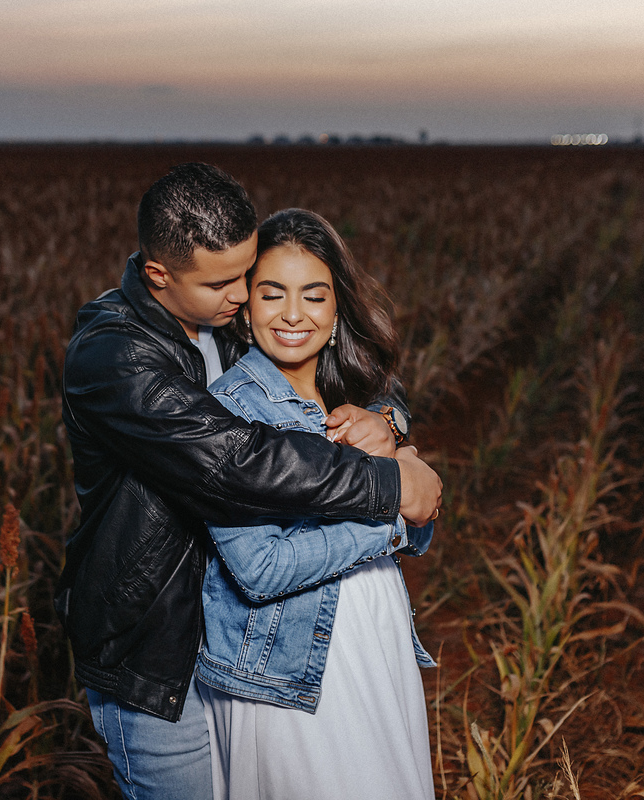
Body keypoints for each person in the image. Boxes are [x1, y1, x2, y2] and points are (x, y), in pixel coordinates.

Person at [55, 163, 442, 799]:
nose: (241, 294)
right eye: (225, 282)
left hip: (230, 635)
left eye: (247, 275)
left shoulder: (221, 319)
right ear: (159, 275)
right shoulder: (115, 355)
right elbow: (237, 460)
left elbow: (329, 360)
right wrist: (391, 492)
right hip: (156, 651)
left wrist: (385, 419)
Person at [197, 208, 437, 799]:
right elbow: (260, 568)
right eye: (272, 294)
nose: (293, 314)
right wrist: (396, 514)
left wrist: (404, 464)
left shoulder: (358, 399)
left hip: (373, 633)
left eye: (313, 295)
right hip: (287, 665)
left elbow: (420, 516)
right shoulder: (228, 411)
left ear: (335, 310)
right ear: (245, 308)